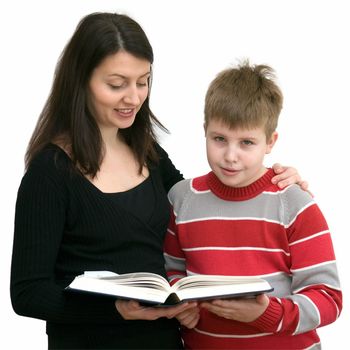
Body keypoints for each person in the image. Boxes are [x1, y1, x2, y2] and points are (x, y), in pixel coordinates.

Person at [10, 12, 306, 350]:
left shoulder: (148, 152)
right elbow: (28, 294)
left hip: (164, 342)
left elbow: (199, 205)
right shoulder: (49, 173)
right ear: (81, 81)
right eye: (116, 84)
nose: (134, 98)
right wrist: (116, 310)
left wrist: (270, 180)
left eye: (143, 81)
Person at [164, 61, 342, 349]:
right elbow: (172, 271)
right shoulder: (182, 198)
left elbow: (328, 299)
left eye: (247, 142)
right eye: (219, 139)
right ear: (204, 131)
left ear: (270, 142)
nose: (230, 156)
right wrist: (181, 303)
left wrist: (267, 313)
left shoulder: (294, 203)